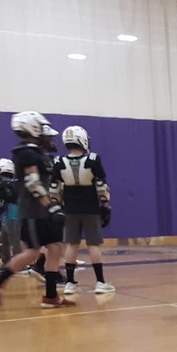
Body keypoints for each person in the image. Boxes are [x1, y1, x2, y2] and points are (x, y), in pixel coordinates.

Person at [0, 111, 73, 308]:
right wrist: (50, 206)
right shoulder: (26, 152)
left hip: (41, 210)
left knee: (55, 248)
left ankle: (51, 296)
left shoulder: (35, 151)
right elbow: (33, 183)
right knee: (32, 254)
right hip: (34, 211)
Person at [52, 125, 115, 295]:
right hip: (90, 208)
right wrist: (105, 205)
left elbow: (54, 189)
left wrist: (56, 207)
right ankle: (100, 282)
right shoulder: (93, 159)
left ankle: (70, 283)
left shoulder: (58, 161)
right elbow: (101, 186)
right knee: (93, 245)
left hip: (70, 209)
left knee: (71, 245)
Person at [0, 158, 24, 264]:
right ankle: (7, 263)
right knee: (3, 241)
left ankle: (19, 264)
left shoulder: (7, 185)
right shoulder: (10, 184)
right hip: (7, 216)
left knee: (14, 242)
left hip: (13, 216)